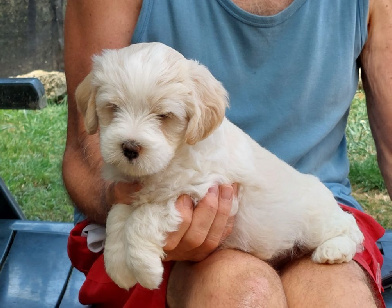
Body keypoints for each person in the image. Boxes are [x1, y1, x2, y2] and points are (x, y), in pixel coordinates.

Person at [63, 0, 392, 307]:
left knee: (338, 297)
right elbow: (84, 148)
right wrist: (131, 205)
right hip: (148, 224)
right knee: (247, 293)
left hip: (310, 207)